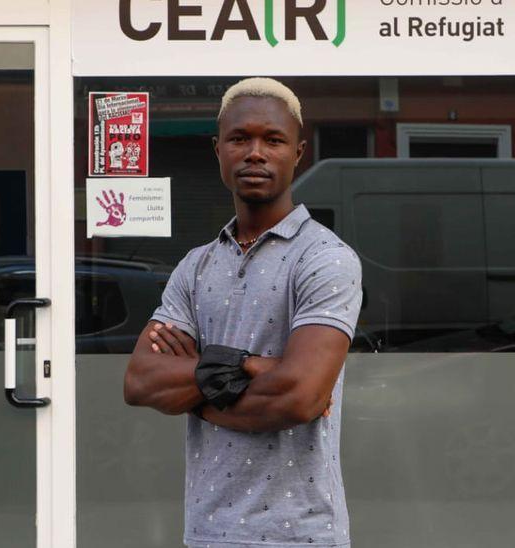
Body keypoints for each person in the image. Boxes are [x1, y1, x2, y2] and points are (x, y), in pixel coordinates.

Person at [123, 78, 362, 548]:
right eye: (240, 139)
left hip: (300, 535)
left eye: (273, 140)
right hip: (207, 531)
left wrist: (196, 385)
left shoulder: (324, 258)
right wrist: (249, 366)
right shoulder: (197, 265)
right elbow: (141, 381)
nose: (255, 152)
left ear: (298, 153)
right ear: (218, 151)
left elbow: (298, 399)